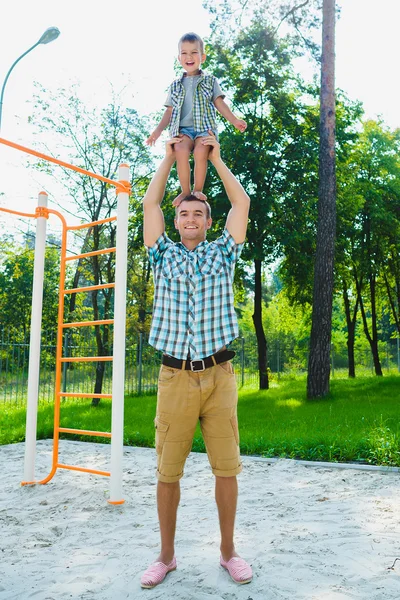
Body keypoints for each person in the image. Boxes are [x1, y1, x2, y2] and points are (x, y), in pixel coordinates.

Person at [140, 132, 252, 589]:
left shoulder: (223, 253)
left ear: (208, 222)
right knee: (168, 472)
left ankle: (228, 552)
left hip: (219, 376)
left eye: (198, 213)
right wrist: (168, 160)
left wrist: (219, 161)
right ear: (177, 220)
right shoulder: (162, 255)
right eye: (183, 212)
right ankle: (166, 556)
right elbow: (150, 207)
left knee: (226, 469)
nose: (189, 218)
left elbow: (240, 203)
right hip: (175, 378)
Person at [145, 31, 247, 205]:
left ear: (203, 57)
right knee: (180, 150)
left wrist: (234, 120)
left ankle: (198, 189)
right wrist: (157, 132)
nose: (189, 57)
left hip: (204, 128)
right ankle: (185, 192)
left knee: (201, 152)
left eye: (194, 52)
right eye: (184, 53)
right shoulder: (175, 85)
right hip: (182, 130)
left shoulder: (210, 80)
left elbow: (219, 103)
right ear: (179, 58)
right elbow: (168, 112)